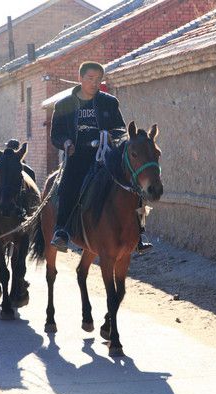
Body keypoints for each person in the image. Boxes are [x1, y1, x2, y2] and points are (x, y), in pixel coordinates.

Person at [50, 61, 153, 254]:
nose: (95, 83)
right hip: (78, 156)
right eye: (90, 79)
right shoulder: (63, 105)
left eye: (98, 80)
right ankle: (62, 230)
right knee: (67, 186)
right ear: (79, 78)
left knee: (134, 187)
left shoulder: (109, 102)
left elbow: (121, 130)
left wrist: (111, 137)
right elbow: (55, 135)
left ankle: (139, 233)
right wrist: (66, 143)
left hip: (107, 155)